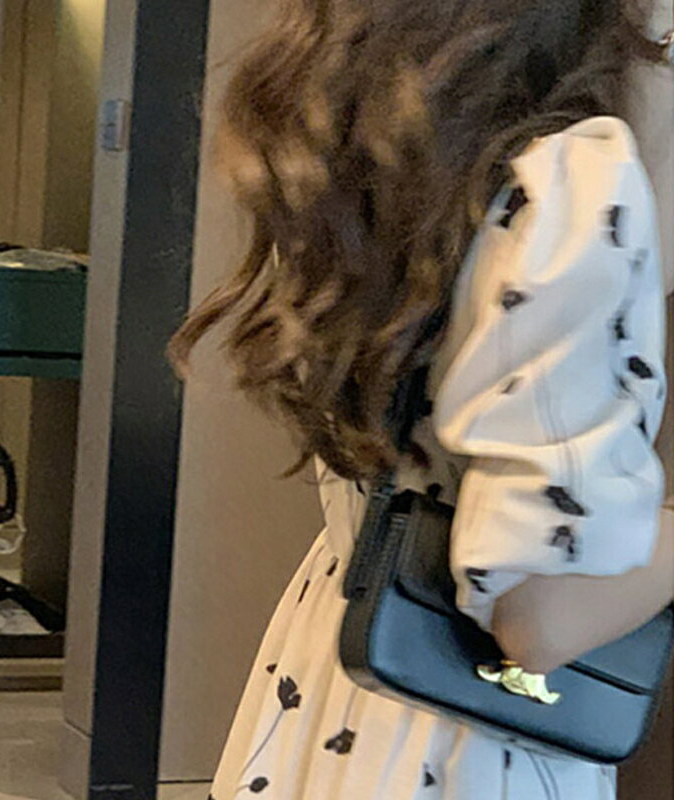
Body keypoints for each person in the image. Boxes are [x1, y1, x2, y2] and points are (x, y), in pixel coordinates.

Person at [167, 1, 674, 797]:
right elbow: (540, 618)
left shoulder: (386, 156)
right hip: (467, 739)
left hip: (338, 690)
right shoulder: (573, 181)